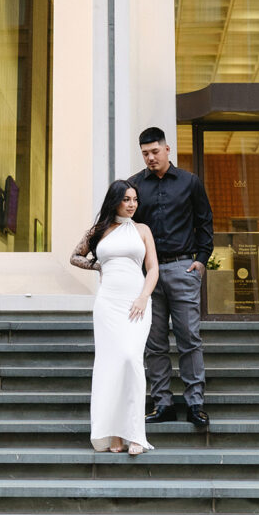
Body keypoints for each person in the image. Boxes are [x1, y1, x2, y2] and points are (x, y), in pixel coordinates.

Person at [129, 126, 213, 429]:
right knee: (154, 343)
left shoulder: (190, 182)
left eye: (155, 151)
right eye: (145, 153)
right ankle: (162, 403)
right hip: (146, 274)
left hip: (182, 268)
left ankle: (195, 404)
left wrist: (201, 261)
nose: (150, 157)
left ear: (167, 150)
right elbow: (126, 227)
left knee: (189, 338)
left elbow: (205, 223)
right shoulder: (135, 185)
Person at [70, 179, 159, 455]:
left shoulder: (142, 230)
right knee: (111, 364)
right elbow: (74, 256)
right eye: (127, 200)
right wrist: (97, 265)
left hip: (136, 303)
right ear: (115, 201)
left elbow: (153, 268)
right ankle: (115, 436)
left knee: (131, 359)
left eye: (135, 199)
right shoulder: (98, 231)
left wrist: (144, 296)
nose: (132, 204)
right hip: (108, 304)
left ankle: (134, 434)